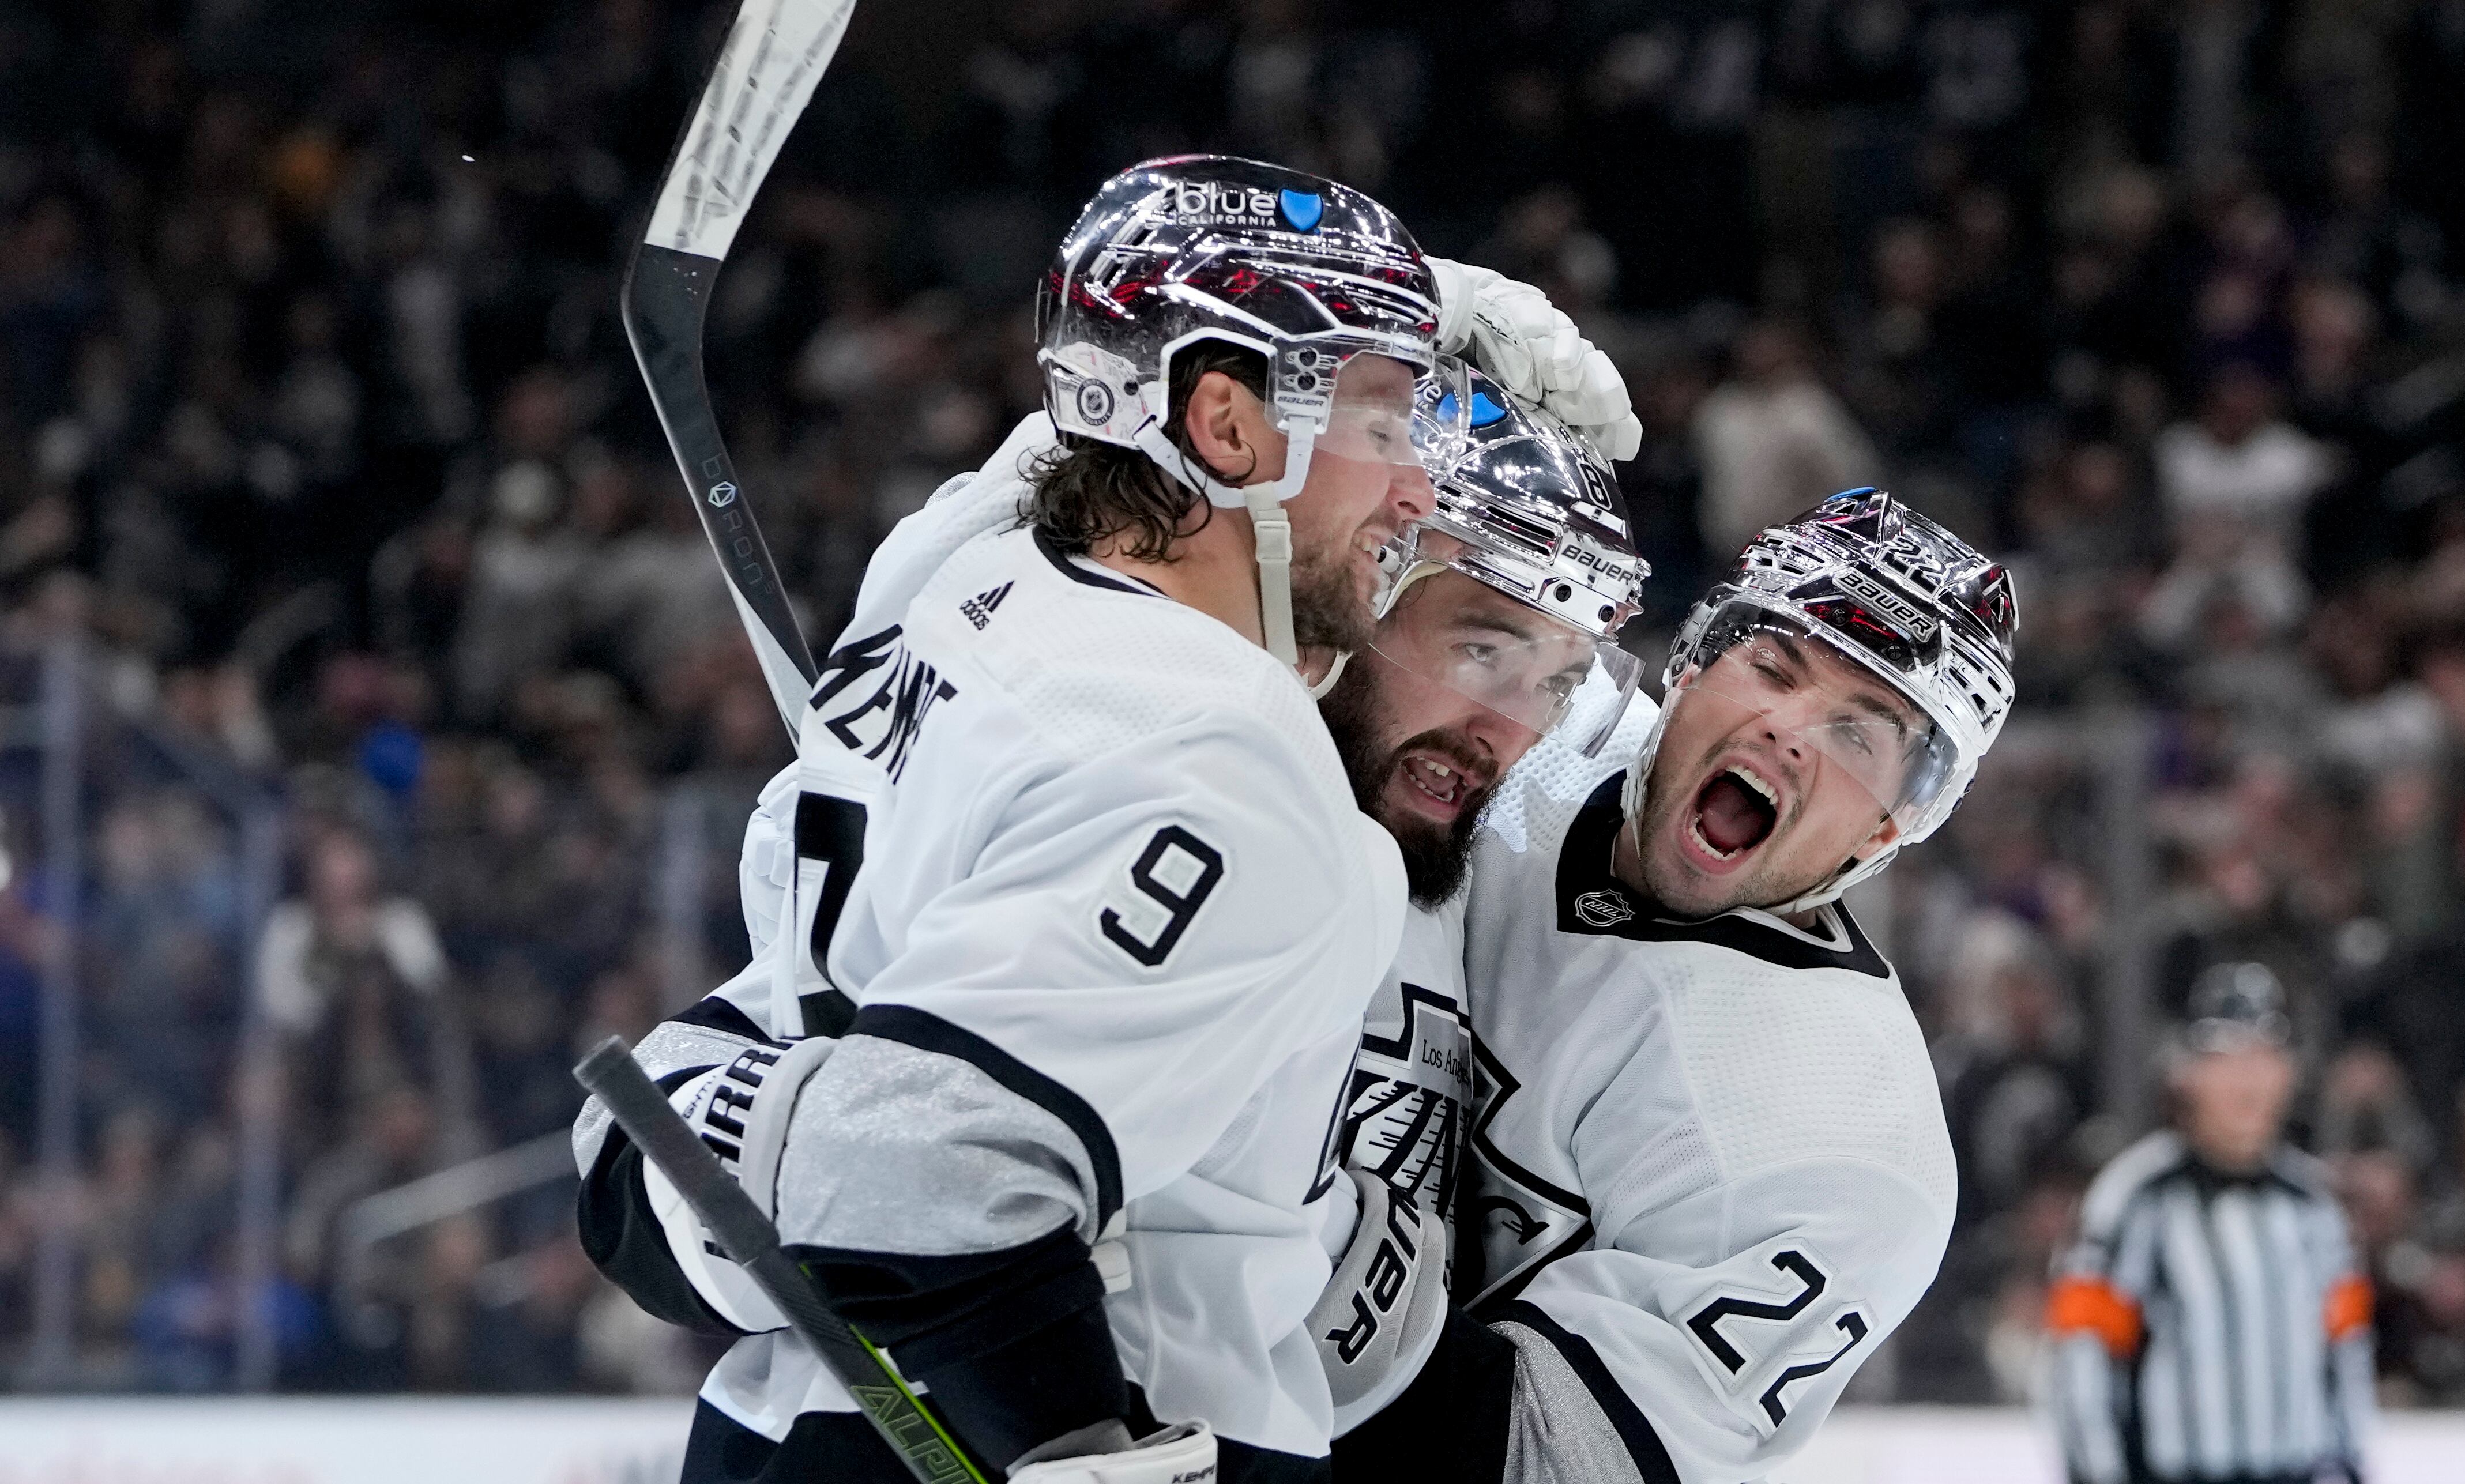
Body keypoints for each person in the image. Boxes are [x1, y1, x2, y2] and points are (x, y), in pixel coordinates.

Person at [571, 155, 1640, 1484]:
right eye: (1380, 419)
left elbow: (1071, 442)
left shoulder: (957, 568)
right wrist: (1077, 1440)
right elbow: (928, 1180)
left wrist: (683, 1133)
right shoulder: (1221, 746)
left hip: (781, 1425)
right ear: (1227, 427)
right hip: (1062, 1420)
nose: (1417, 489)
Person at [1339, 487, 2019, 1482]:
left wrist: (1268, 1247)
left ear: (1885, 831)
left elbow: (1542, 1454)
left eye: (1857, 733)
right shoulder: (1522, 731)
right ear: (1691, 663)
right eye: (1772, 668)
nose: (1789, 731)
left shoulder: (1855, 1153)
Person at [1300, 359, 1648, 1431]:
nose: (1511, 733)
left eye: (1550, 681)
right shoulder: (1183, 786)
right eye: (1480, 647)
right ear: (1361, 586)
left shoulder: (1470, 841)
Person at [2045, 963, 2374, 1484]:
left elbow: (2345, 1368)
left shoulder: (2315, 1207)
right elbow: (2081, 1366)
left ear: (2289, 1071)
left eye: (2265, 1055)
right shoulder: (2134, 1199)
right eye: (2226, 1056)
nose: (2247, 1077)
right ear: (2188, 1072)